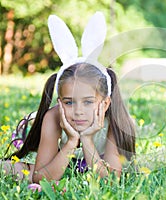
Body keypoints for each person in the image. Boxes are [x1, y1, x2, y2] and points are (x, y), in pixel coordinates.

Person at [1, 12, 135, 183]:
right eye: (69, 102)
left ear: (105, 103)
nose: (78, 111)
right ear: (59, 102)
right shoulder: (53, 117)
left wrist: (86, 139)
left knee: (83, 174)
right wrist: (71, 142)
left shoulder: (116, 121)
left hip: (96, 160)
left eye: (88, 102)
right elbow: (39, 178)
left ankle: (75, 170)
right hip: (58, 157)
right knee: (10, 169)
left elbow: (109, 181)